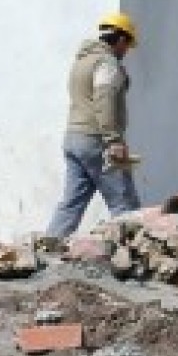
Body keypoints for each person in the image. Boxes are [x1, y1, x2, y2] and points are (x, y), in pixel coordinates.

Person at [46, 12, 142, 239]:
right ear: (120, 39)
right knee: (124, 202)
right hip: (96, 139)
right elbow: (104, 99)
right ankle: (134, 257)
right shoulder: (106, 63)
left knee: (71, 204)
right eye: (127, 45)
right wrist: (113, 140)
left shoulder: (82, 61)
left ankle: (47, 247)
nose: (126, 52)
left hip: (74, 137)